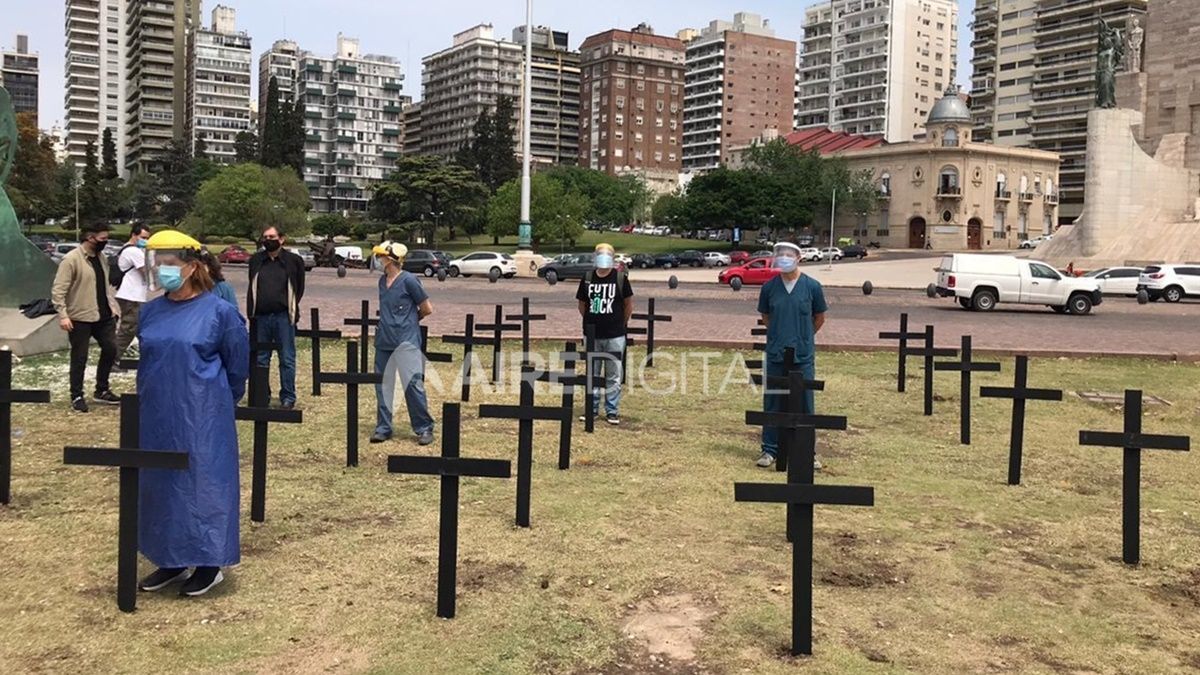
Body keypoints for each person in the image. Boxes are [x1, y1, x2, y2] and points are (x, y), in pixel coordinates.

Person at [135, 230, 248, 597]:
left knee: (203, 484)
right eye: (159, 263)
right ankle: (170, 558)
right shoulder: (151, 311)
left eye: (171, 264)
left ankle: (208, 562)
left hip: (203, 413)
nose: (163, 270)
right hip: (157, 412)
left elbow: (237, 366)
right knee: (161, 483)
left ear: (192, 267)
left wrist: (217, 403)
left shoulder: (220, 312)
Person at [756, 241, 828, 468]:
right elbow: (766, 317)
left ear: (798, 257)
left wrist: (803, 337)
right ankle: (770, 449)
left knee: (805, 402)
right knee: (773, 400)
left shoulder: (812, 287)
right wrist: (779, 335)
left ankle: (807, 451)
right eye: (781, 254)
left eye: (789, 254)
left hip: (802, 355)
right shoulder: (769, 288)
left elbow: (819, 318)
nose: (784, 258)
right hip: (777, 353)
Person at [369, 241, 435, 445]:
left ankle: (424, 428)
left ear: (390, 259)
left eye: (380, 256)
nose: (377, 260)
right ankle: (383, 427)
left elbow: (427, 308)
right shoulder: (382, 282)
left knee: (412, 384)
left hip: (406, 340)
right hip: (384, 340)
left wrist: (409, 321)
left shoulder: (409, 281)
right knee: (383, 385)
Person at [51, 222, 121, 413]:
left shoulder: (102, 257)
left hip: (104, 314)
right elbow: (59, 291)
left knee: (111, 349)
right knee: (80, 357)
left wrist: (113, 308)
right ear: (90, 238)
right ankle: (77, 395)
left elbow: (104, 285)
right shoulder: (71, 260)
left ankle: (102, 389)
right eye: (103, 239)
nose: (105, 242)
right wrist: (63, 315)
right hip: (79, 316)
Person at [246, 226, 305, 409]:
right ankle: (262, 394)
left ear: (281, 239)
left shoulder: (293, 261)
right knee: (260, 358)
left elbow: (299, 287)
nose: (268, 240)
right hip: (261, 317)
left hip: (283, 317)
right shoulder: (256, 260)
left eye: (271, 236)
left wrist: (290, 306)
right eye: (265, 237)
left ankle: (287, 396)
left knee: (286, 358)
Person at [576, 242, 634, 425]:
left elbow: (628, 305)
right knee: (592, 373)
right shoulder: (587, 278)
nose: (603, 258)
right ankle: (591, 409)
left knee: (613, 374)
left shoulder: (620, 278)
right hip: (592, 334)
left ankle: (612, 410)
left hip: (615, 334)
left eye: (607, 255)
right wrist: (590, 322)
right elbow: (582, 304)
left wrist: (621, 324)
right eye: (600, 254)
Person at [113, 224, 152, 358]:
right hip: (131, 295)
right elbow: (145, 271)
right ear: (134, 235)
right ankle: (112, 359)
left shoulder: (133, 250)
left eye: (147, 238)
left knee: (138, 328)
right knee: (128, 329)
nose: (145, 240)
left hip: (134, 294)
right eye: (143, 237)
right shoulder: (133, 251)